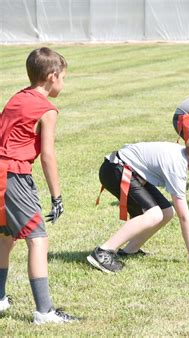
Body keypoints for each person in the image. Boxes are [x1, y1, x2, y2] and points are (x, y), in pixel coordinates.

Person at [0, 47, 77, 324]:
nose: (63, 83)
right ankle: (44, 312)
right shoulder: (47, 109)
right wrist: (57, 197)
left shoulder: (18, 97)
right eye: (63, 78)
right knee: (38, 239)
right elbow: (48, 156)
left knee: (5, 237)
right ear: (52, 76)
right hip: (13, 175)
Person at [87, 133, 189, 273]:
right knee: (154, 215)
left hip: (127, 170)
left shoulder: (182, 157)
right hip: (116, 169)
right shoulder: (177, 166)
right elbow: (184, 217)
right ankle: (103, 252)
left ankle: (130, 250)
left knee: (167, 212)